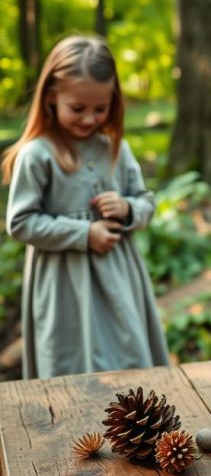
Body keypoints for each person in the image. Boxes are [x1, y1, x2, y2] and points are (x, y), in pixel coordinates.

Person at [3, 34, 170, 379]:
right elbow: (20, 222)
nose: (89, 118)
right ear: (51, 97)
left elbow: (146, 202)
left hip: (119, 280)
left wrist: (126, 209)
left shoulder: (115, 148)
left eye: (100, 108)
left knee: (129, 361)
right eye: (77, 108)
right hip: (65, 284)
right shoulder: (38, 155)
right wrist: (83, 232)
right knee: (70, 365)